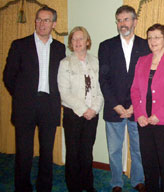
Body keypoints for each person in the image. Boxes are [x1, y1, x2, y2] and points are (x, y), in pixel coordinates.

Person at [2, 6, 65, 192]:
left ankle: (44, 186)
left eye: (46, 20)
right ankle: (22, 187)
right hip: (25, 106)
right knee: (24, 152)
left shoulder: (60, 48)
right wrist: (22, 96)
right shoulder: (19, 45)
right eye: (39, 19)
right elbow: (8, 76)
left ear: (54, 24)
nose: (41, 23)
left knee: (47, 151)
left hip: (49, 105)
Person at [98, 5, 150, 192]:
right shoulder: (106, 46)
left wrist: (136, 106)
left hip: (138, 109)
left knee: (138, 149)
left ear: (135, 22)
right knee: (114, 151)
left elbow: (148, 80)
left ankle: (137, 179)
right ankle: (116, 183)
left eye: (126, 19)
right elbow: (103, 79)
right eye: (119, 20)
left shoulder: (146, 45)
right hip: (114, 109)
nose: (122, 24)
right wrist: (116, 105)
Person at [131, 23, 164, 192]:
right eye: (150, 37)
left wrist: (159, 115)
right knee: (149, 164)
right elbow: (134, 90)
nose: (152, 41)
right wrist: (139, 114)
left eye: (157, 37)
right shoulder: (142, 61)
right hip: (144, 121)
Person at [57, 26, 103, 192]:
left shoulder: (96, 61)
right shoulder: (65, 63)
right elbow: (64, 92)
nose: (77, 42)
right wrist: (84, 109)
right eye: (74, 39)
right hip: (73, 115)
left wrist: (94, 109)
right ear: (71, 43)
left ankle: (87, 184)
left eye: (80, 38)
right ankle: (74, 187)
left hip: (92, 114)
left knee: (87, 152)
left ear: (87, 41)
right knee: (73, 152)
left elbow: (100, 89)